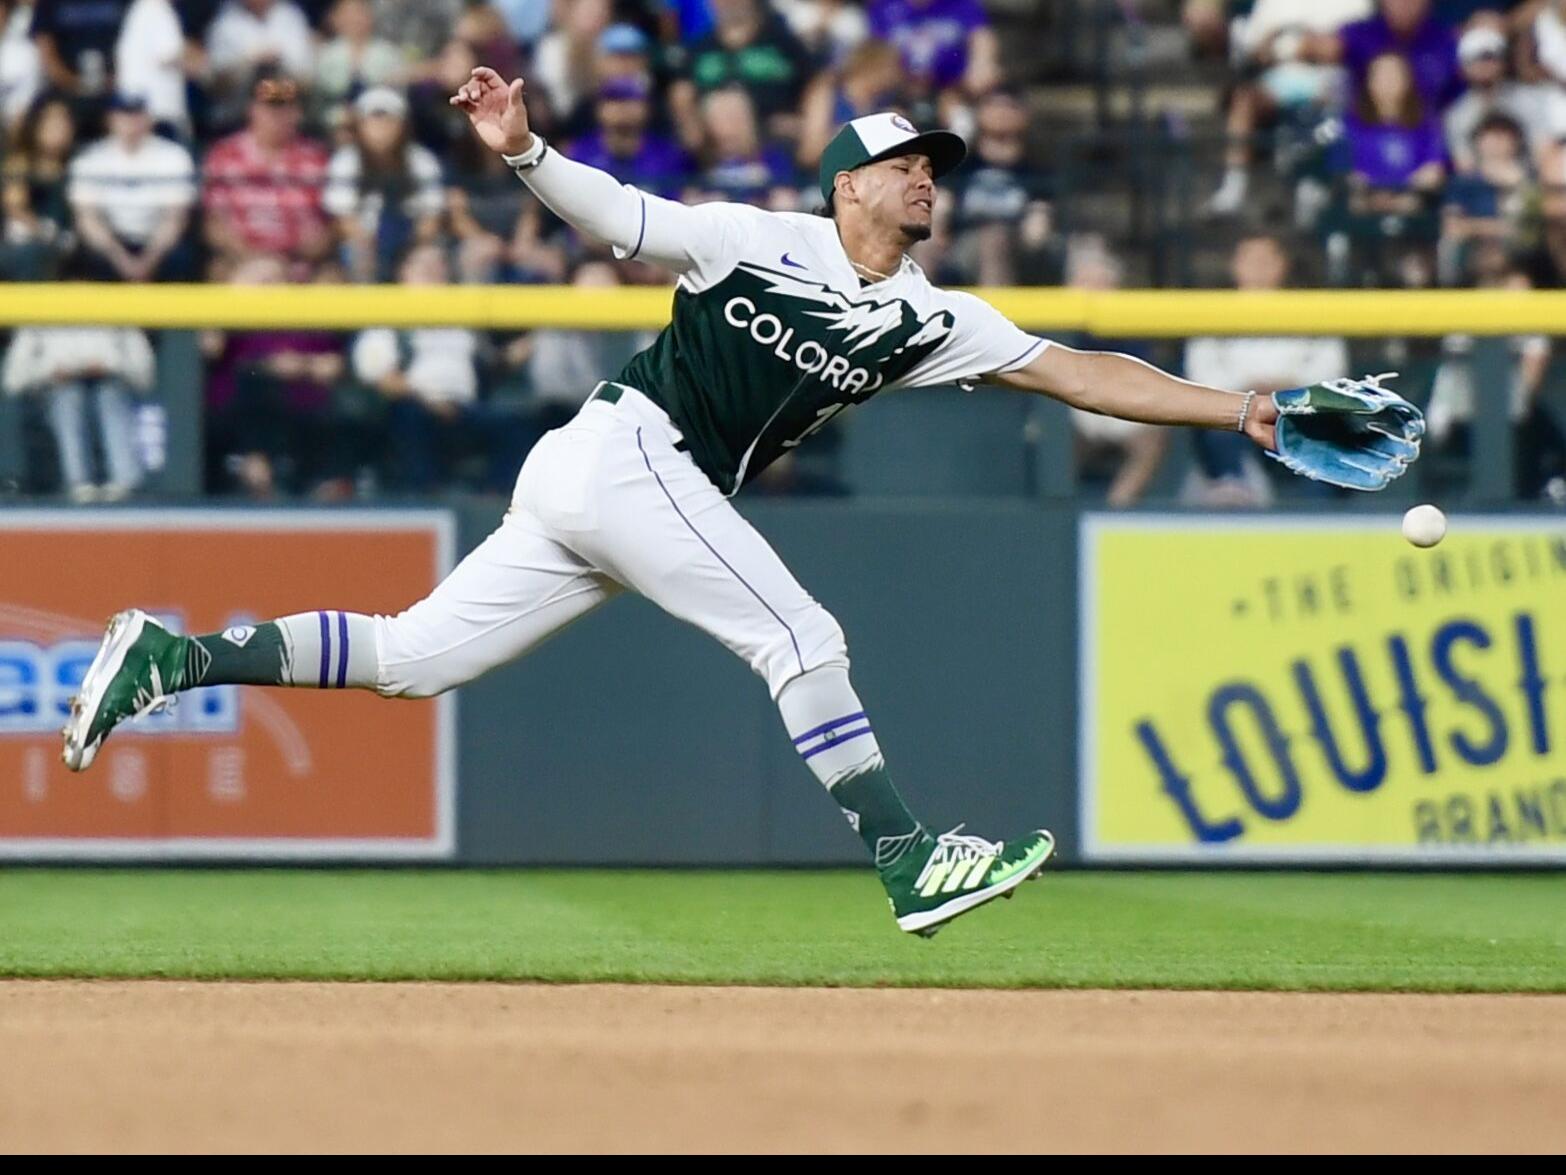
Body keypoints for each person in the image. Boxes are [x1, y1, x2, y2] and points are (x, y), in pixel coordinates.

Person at [61, 67, 1404, 938]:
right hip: (626, 453)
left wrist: (1243, 406)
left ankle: (178, 651)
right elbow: (619, 215)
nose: (925, 175)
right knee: (800, 633)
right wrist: (525, 150)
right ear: (845, 184)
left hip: (617, 481)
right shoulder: (759, 238)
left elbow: (1074, 369)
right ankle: (907, 857)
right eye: (902, 163)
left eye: (933, 163)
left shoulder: (935, 317)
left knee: (414, 660)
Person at [1183, 233, 1350, 505]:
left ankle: (1317, 518)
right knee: (1218, 429)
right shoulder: (1213, 311)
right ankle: (1233, 500)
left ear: (1282, 264)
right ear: (1234, 265)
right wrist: (1252, 391)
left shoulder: (1310, 309)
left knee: (1327, 437)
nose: (1258, 268)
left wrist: (1285, 390)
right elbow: (1201, 375)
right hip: (1236, 411)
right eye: (1250, 259)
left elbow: (1332, 372)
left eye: (1266, 260)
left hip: (1299, 410)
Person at [349, 243, 479, 490]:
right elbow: (383, 378)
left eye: (439, 264)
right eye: (424, 265)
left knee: (511, 425)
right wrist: (432, 402)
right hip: (419, 407)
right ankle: (423, 493)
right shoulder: (389, 318)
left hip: (466, 411)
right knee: (410, 420)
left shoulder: (461, 316)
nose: (433, 270)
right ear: (403, 273)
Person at [200, 69, 333, 277]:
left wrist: (295, 256)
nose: (278, 117)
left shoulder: (317, 157)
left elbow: (331, 225)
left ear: (297, 113)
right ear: (252, 110)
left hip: (301, 262)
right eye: (270, 109)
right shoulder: (224, 154)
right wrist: (251, 256)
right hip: (242, 261)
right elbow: (214, 224)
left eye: (286, 109)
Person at [2, 322, 154, 501]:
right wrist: (51, 373)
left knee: (107, 393)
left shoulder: (114, 307)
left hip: (112, 390)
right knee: (69, 395)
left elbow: (145, 374)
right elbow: (13, 380)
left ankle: (125, 483)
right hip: (54, 396)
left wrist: (110, 368)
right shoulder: (41, 314)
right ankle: (78, 484)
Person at [67, 90, 196, 282]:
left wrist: (149, 260)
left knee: (181, 258)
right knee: (87, 257)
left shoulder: (174, 156)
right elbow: (88, 219)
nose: (131, 122)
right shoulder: (90, 159)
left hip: (157, 241)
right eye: (124, 115)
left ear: (148, 118)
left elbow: (175, 219)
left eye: (137, 114)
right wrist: (120, 258)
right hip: (111, 241)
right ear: (110, 119)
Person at [322, 86, 445, 282]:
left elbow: (430, 221)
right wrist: (373, 242)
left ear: (402, 125)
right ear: (360, 126)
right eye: (373, 119)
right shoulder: (345, 161)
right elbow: (343, 221)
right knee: (358, 254)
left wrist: (406, 247)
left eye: (388, 119)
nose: (381, 127)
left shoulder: (422, 161)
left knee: (427, 260)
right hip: (363, 242)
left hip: (411, 242)